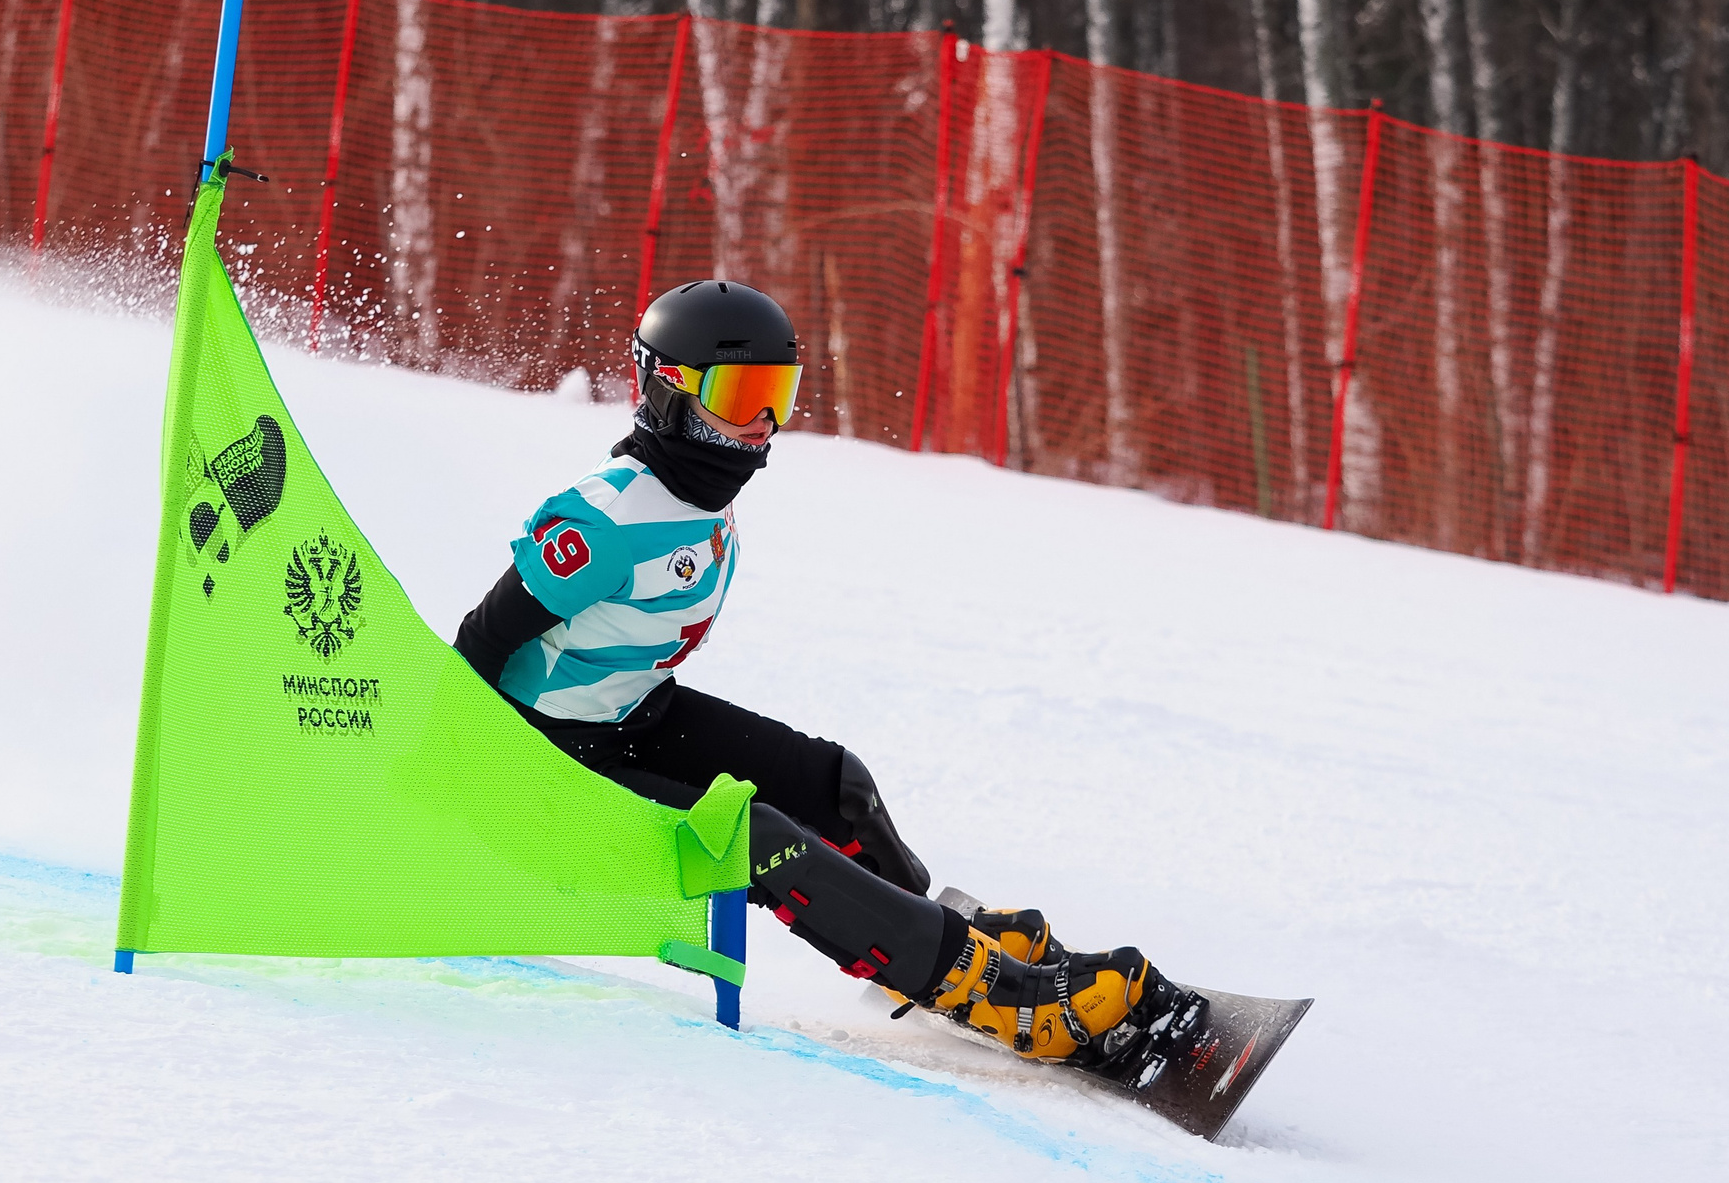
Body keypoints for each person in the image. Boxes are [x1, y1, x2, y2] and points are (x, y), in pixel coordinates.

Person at [452, 280, 1206, 1080]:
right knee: (758, 840)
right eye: (742, 396)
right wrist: (465, 795)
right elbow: (477, 645)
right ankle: (1005, 995)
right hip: (543, 764)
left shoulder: (694, 493)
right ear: (668, 389)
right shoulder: (601, 520)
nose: (765, 425)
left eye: (779, 396)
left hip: (628, 715)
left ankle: (929, 943)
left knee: (835, 784)